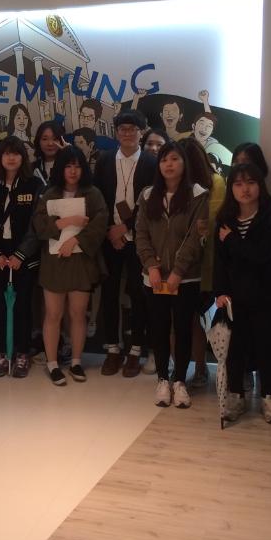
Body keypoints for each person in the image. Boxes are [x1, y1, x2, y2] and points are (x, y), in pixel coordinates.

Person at [135, 141, 209, 408]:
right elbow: (141, 234)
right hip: (154, 277)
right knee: (158, 327)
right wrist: (152, 266)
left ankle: (180, 381)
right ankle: (162, 379)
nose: (169, 164)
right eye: (164, 160)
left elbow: (195, 239)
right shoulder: (147, 196)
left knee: (183, 327)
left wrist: (178, 271)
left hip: (186, 278)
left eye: (175, 159)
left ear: (184, 163)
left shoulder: (198, 195)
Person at [213, 163, 271, 423]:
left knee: (267, 347)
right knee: (235, 349)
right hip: (235, 297)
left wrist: (233, 240)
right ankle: (236, 396)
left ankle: (269, 398)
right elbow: (220, 260)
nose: (245, 189)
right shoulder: (225, 218)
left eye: (251, 182)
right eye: (238, 184)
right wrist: (220, 291)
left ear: (260, 185)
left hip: (265, 293)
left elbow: (263, 255)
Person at [33, 146, 107, 385]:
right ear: (60, 169)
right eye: (68, 166)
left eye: (77, 166)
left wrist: (76, 240)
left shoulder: (93, 194)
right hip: (54, 261)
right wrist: (65, 222)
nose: (73, 171)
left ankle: (76, 361)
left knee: (78, 313)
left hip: (81, 261)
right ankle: (53, 363)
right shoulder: (49, 194)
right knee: (53, 314)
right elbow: (39, 226)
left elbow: (100, 225)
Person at [95, 111, 158, 377]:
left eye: (133, 129)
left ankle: (135, 350)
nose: (127, 133)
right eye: (122, 129)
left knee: (138, 294)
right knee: (109, 294)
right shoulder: (105, 160)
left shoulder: (151, 162)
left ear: (141, 133)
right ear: (116, 132)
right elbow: (98, 198)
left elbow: (153, 203)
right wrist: (112, 230)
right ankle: (112, 348)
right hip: (110, 238)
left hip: (139, 240)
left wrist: (126, 227)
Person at [0, 136, 42, 378]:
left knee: (23, 305)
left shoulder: (34, 185)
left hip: (23, 256)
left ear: (23, 157)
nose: (11, 158)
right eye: (6, 153)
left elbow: (37, 223)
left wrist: (21, 254)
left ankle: (22, 353)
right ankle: (3, 351)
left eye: (16, 153)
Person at [176, 137, 225, 388]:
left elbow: (214, 224)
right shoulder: (174, 186)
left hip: (206, 264)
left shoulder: (215, 183)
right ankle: (182, 371)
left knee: (198, 318)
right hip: (178, 265)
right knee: (180, 320)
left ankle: (202, 368)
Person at [192, 89, 233, 167]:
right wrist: (205, 100)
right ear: (193, 126)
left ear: (212, 132)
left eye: (209, 126)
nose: (204, 128)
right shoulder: (188, 144)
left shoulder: (215, 148)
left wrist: (205, 101)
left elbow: (233, 161)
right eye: (201, 124)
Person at [33, 120, 65, 187]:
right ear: (38, 142)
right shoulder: (32, 168)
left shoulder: (68, 166)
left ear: (62, 141)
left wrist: (68, 153)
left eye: (55, 139)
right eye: (45, 139)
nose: (50, 143)